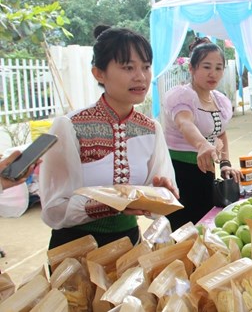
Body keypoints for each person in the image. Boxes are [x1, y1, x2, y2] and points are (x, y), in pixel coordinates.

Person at [39, 25, 177, 249]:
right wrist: (112, 203)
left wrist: (164, 195)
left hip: (128, 243)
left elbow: (159, 196)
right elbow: (54, 210)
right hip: (76, 248)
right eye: (128, 67)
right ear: (99, 73)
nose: (141, 77)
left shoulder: (151, 129)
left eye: (146, 67)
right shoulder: (70, 127)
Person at [162, 36, 241, 231]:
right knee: (184, 231)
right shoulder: (181, 95)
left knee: (207, 227)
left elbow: (221, 134)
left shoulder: (219, 100)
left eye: (218, 67)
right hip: (179, 173)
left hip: (205, 173)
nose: (213, 73)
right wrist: (202, 144)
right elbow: (184, 122)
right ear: (192, 68)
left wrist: (224, 164)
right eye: (206, 67)